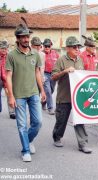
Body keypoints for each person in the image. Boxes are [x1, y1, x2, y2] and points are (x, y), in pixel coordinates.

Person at [5, 24, 46, 162]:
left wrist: (42, 90)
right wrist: (10, 96)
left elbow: (37, 73)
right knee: (22, 124)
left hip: (34, 93)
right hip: (19, 96)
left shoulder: (35, 54)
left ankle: (28, 140)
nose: (26, 39)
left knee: (38, 122)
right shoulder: (11, 55)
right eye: (23, 37)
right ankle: (25, 150)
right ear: (18, 39)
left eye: (27, 36)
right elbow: (8, 76)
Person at [51, 36, 92, 154]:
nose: (77, 49)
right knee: (61, 120)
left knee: (79, 119)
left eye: (78, 47)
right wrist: (64, 71)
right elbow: (53, 77)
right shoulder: (61, 60)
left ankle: (83, 143)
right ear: (68, 48)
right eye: (74, 47)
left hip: (77, 97)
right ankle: (57, 136)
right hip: (64, 97)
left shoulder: (80, 60)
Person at [42, 38, 59, 115]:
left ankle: (44, 101)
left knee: (51, 91)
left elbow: (59, 63)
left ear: (51, 46)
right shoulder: (41, 54)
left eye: (48, 46)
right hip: (45, 74)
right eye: (45, 46)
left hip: (53, 74)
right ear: (43, 46)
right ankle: (50, 108)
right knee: (48, 91)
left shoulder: (55, 53)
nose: (47, 48)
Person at [0, 40, 16, 119]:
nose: (3, 50)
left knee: (10, 94)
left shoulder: (10, 56)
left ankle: (12, 112)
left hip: (7, 78)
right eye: (2, 48)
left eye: (5, 48)